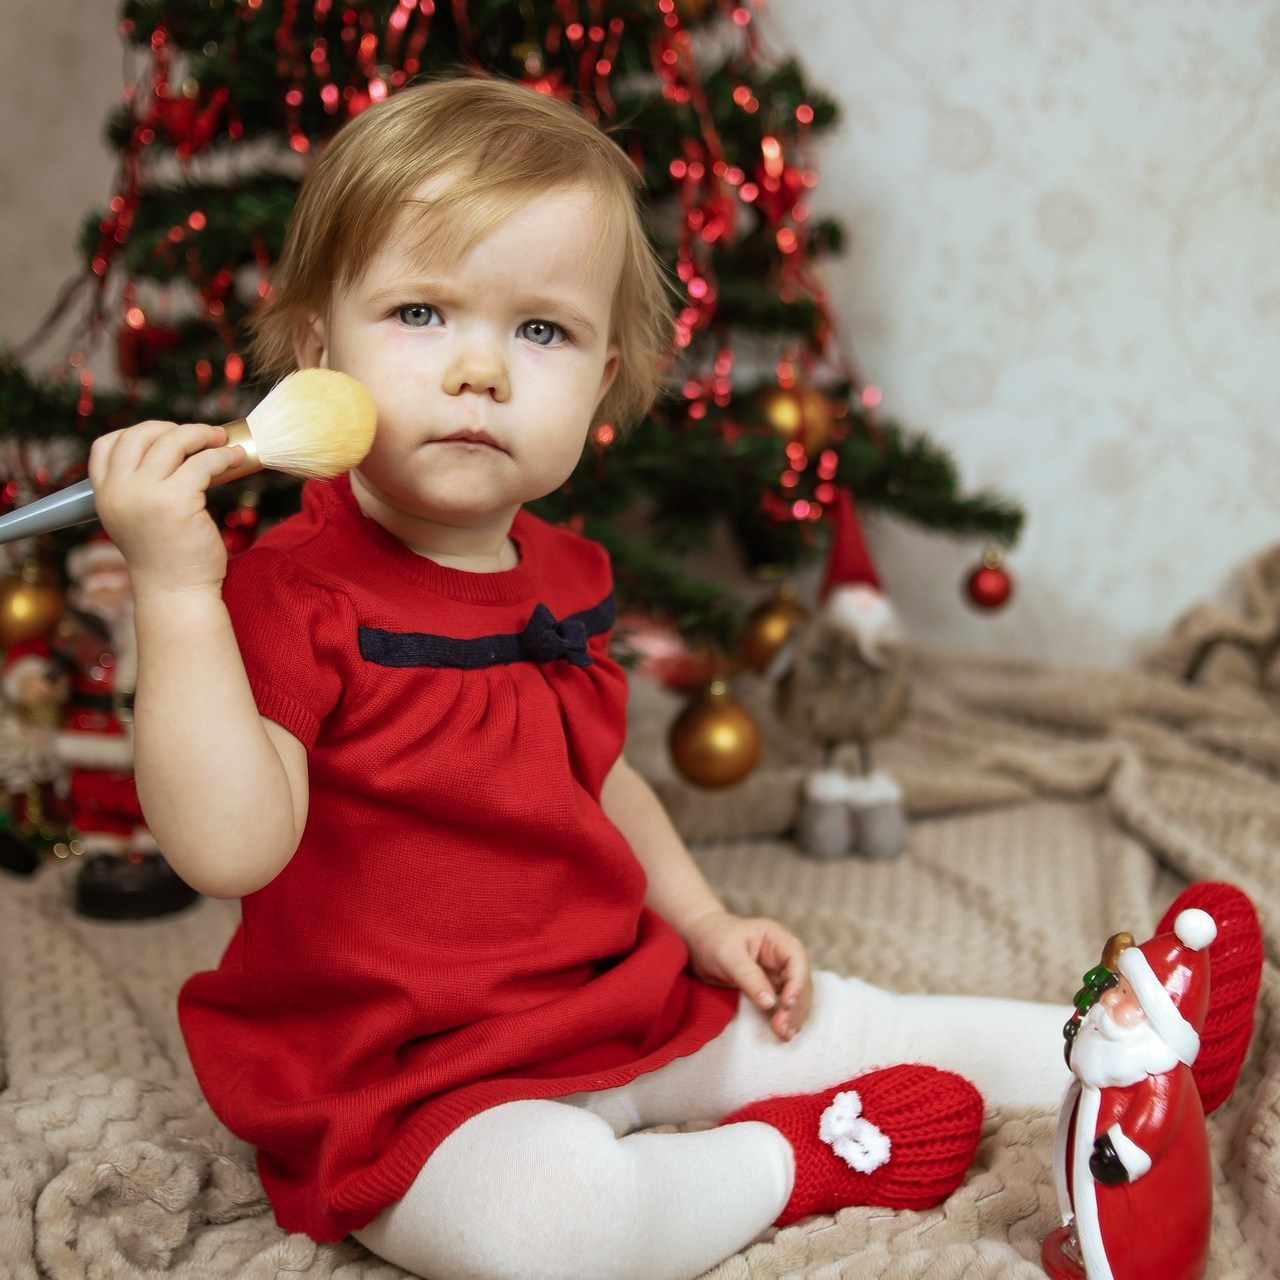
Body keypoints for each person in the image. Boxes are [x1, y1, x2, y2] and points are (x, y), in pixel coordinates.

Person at [88, 75, 1069, 1280]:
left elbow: (591, 778)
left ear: (600, 384)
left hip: (615, 997)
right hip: (416, 1078)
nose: (478, 371)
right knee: (548, 1227)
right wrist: (178, 595)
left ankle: (1118, 1033)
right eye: (418, 313)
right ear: (313, 355)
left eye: (539, 330)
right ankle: (797, 1161)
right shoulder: (294, 592)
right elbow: (229, 848)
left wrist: (702, 919)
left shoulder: (560, 572)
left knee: (844, 1019)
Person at [1044, 911, 1217, 1280]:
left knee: (1121, 1229)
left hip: (1136, 1198)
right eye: (1118, 984)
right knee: (1089, 1207)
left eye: (1125, 994)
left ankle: (1116, 1264)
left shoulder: (1157, 1069)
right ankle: (1081, 1242)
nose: (1109, 998)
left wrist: (1123, 1151)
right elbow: (1088, 1059)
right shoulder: (1111, 1046)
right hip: (1090, 1160)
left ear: (1156, 1017)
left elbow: (1157, 1118)